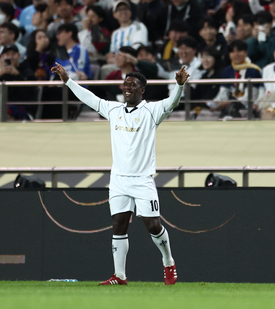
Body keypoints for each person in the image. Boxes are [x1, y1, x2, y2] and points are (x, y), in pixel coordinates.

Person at [51, 62, 189, 286]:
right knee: (118, 224)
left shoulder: (151, 112)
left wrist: (179, 86)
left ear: (142, 90)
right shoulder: (113, 110)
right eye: (125, 84)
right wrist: (68, 81)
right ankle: (120, 276)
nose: (127, 88)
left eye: (133, 85)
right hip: (118, 180)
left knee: (153, 225)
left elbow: (171, 104)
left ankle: (168, 261)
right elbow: (90, 99)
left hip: (143, 180)